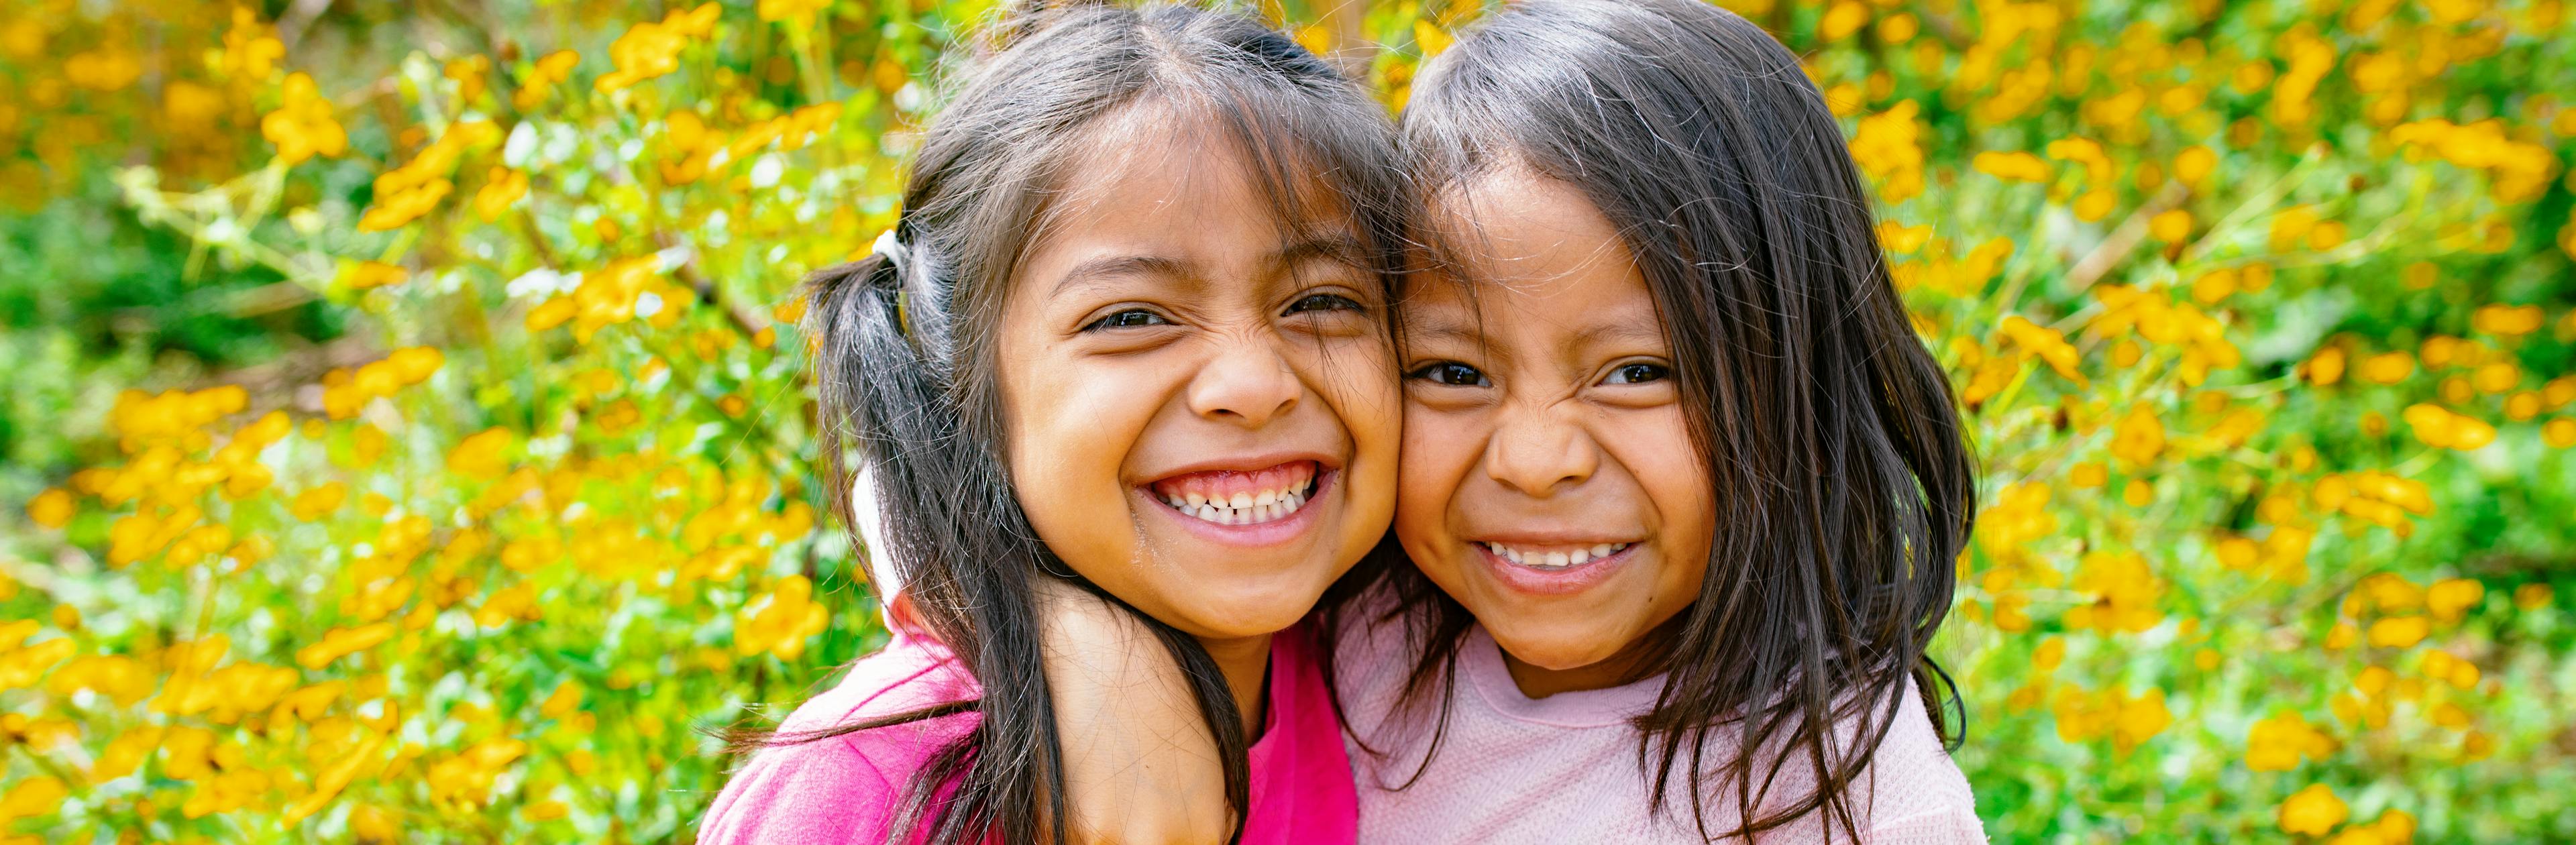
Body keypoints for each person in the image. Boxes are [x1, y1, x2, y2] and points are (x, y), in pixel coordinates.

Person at [1057, 0, 1988, 840]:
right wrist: (1072, 637)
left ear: (1799, 382)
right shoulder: (1350, 618)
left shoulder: (1858, 802)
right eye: (1453, 371)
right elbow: (931, 338)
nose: (1537, 463)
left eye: (1639, 372)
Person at [694, 3, 1409, 843]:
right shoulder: (870, 794)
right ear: (963, 382)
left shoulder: (1393, 662)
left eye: (1321, 302)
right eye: (1131, 318)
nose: (1253, 386)